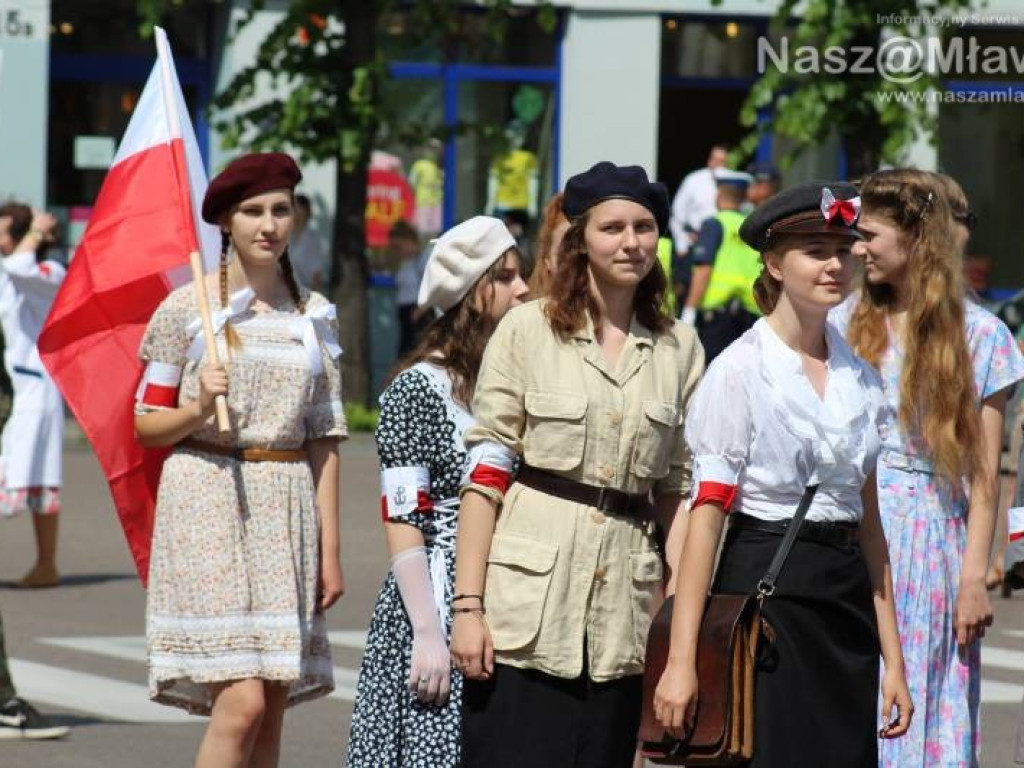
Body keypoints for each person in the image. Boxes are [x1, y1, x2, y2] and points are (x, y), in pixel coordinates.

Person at [451, 161, 704, 768]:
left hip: (623, 617)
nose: (631, 242)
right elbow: (486, 474)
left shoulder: (679, 347)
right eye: (612, 228)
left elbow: (678, 492)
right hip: (526, 611)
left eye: (644, 227)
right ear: (581, 239)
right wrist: (467, 607)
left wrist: (678, 628)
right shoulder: (528, 329)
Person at [654, 181, 913, 767]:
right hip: (769, 600)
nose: (834, 264)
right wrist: (681, 660)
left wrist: (894, 661)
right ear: (774, 263)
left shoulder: (862, 378)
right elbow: (705, 523)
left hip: (844, 606)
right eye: (815, 251)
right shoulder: (740, 370)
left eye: (843, 249)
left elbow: (871, 528)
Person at [134, 152, 346, 768]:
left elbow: (324, 434)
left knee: (273, 703)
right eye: (253, 211)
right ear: (227, 221)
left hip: (285, 503)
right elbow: (146, 425)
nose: (269, 225)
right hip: (206, 495)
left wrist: (330, 546)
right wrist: (199, 406)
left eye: (281, 209)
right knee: (243, 704)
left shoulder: (314, 316)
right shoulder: (188, 309)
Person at [830, 168, 1024, 767]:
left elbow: (984, 476)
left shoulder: (981, 336)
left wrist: (973, 579)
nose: (857, 250)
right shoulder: (843, 320)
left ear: (916, 237)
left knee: (930, 701)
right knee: (847, 704)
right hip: (850, 532)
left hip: (931, 539)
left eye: (870, 235)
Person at [347, 216, 529, 767]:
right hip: (437, 593)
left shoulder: (519, 380)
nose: (523, 289)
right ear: (472, 293)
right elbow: (405, 516)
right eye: (506, 277)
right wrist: (426, 630)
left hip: (514, 590)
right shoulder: (418, 389)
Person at [0, 203, 66, 588]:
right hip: (12, 390)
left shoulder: (50, 273)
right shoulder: (7, 274)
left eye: (2, 231)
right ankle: (46, 565)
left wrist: (37, 231)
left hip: (35, 392)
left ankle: (47, 565)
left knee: (41, 476)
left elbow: (20, 266)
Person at [680, 169, 761, 363]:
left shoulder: (714, 224)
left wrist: (689, 310)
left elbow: (703, 269)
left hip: (717, 318)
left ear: (718, 195)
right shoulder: (752, 227)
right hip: (750, 315)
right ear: (743, 197)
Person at [668, 143, 728, 260]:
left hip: (723, 247)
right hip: (694, 242)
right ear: (709, 160)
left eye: (721, 161)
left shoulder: (733, 184)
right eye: (714, 159)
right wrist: (681, 244)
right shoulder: (694, 180)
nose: (716, 164)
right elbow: (677, 214)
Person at [391, 220, 428, 355]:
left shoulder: (421, 260)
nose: (398, 252)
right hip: (405, 310)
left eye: (399, 247)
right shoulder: (406, 262)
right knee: (404, 349)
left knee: (411, 349)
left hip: (416, 311)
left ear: (409, 241)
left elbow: (427, 285)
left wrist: (420, 309)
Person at [528, 193, 568, 298]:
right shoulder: (532, 308)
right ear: (548, 262)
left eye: (581, 249)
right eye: (563, 253)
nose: (573, 259)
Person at [288, 193, 325, 291]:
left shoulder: (311, 238)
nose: (295, 212)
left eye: (297, 208)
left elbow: (317, 273)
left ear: (305, 211)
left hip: (305, 291)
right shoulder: (285, 236)